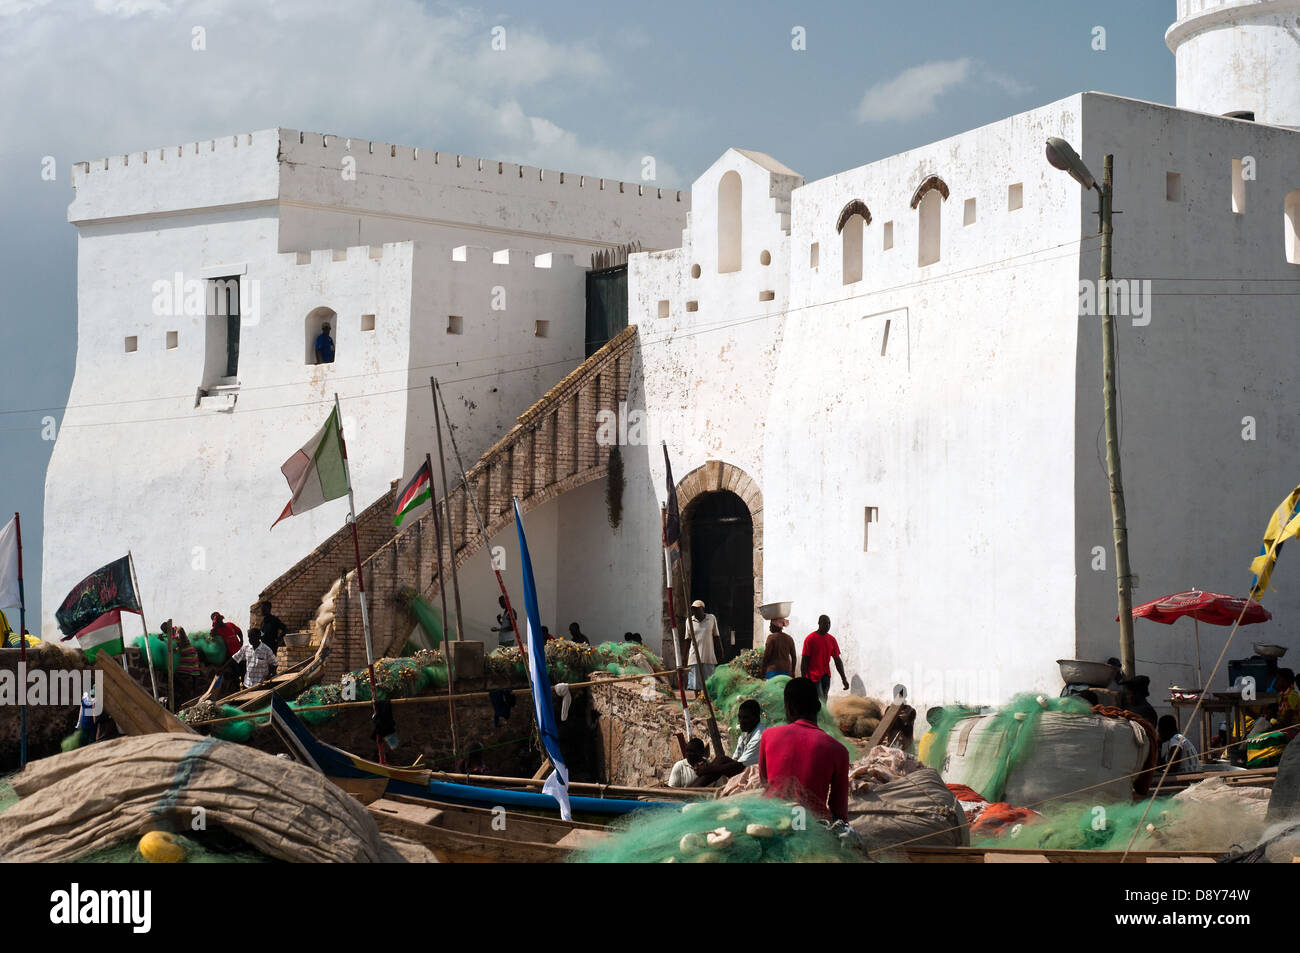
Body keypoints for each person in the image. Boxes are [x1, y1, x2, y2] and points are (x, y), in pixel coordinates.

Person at [758, 676, 850, 823]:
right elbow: (839, 811)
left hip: (772, 823)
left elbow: (764, 782)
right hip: (811, 827)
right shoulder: (839, 750)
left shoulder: (768, 736)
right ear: (819, 707)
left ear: (790, 709)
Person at [801, 615, 848, 700]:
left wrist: (843, 678)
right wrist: (803, 679)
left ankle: (820, 713)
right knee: (819, 699)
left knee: (824, 698)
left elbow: (837, 660)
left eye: (829, 623)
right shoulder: (810, 639)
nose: (828, 625)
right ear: (819, 623)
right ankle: (818, 713)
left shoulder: (832, 640)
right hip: (813, 676)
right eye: (825, 623)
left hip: (826, 675)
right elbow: (804, 661)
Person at [161, 619, 201, 704]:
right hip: (186, 654)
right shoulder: (170, 634)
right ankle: (192, 695)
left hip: (189, 654)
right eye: (165, 632)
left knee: (184, 674)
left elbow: (182, 643)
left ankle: (190, 693)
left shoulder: (179, 630)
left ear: (169, 628)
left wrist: (174, 649)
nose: (166, 633)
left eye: (166, 631)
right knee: (192, 674)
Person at [686, 600, 722, 693]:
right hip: (694, 657)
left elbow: (716, 636)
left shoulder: (711, 618)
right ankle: (698, 703)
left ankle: (708, 702)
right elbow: (687, 640)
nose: (695, 612)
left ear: (703, 609)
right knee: (696, 685)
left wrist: (720, 652)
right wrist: (683, 657)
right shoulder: (689, 621)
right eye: (693, 609)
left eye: (697, 609)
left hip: (708, 656)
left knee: (709, 684)